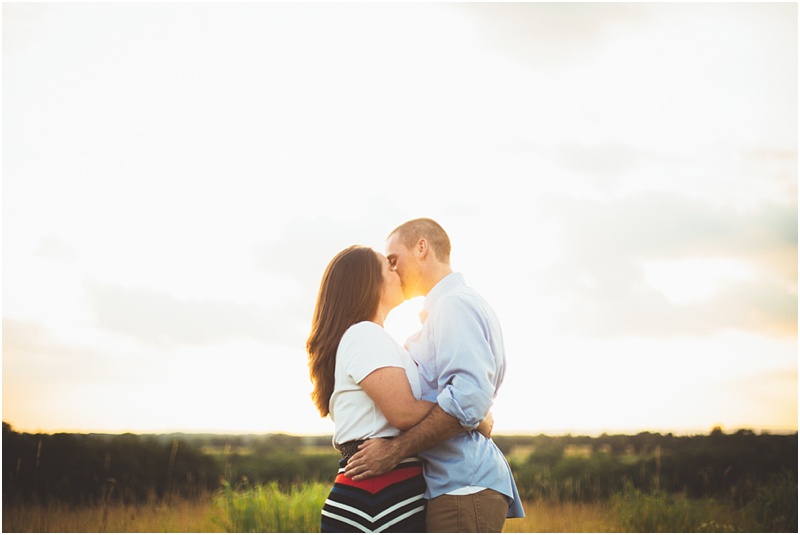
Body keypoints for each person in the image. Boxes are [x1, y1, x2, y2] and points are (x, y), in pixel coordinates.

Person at [344, 218, 525, 532]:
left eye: (393, 259)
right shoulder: (442, 312)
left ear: (421, 248)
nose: (391, 269)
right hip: (451, 483)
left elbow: (468, 399)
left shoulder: (454, 306)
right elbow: (466, 401)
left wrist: (394, 452)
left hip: (462, 484)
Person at [306, 245, 492, 533]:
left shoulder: (374, 337)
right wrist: (471, 413)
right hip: (376, 494)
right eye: (388, 266)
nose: (397, 271)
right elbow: (403, 413)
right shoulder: (364, 333)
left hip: (383, 488)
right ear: (368, 283)